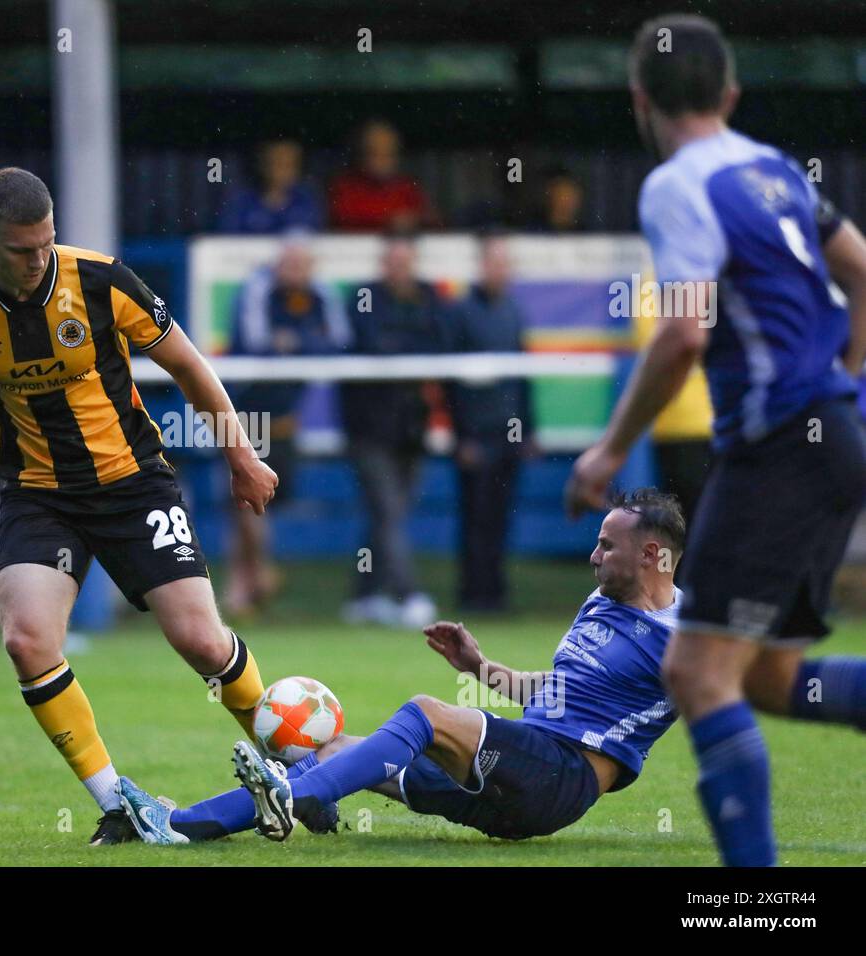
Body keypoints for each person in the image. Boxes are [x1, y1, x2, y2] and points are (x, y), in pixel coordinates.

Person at [566, 15, 866, 866]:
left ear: (638, 100)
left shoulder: (675, 185)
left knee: (697, 675)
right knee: (768, 678)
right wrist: (842, 383)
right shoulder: (775, 169)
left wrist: (608, 450)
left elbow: (683, 336)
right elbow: (863, 271)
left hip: (778, 448)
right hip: (830, 439)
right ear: (730, 94)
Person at [0, 167, 279, 845]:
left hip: (133, 482)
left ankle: (295, 765)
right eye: (21, 249)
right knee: (26, 640)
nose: (38, 259)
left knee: (199, 639)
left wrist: (240, 455)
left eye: (47, 243)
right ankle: (120, 802)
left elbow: (190, 366)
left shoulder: (102, 282)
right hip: (38, 494)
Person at [117, 490, 684, 845]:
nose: (593, 556)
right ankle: (179, 825)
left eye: (607, 546)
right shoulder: (602, 602)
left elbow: (726, 700)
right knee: (331, 750)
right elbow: (556, 691)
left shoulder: (682, 640)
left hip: (562, 778)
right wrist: (482, 667)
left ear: (652, 554)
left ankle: (305, 797)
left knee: (425, 714)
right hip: (510, 780)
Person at [225, 237, 352, 616]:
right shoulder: (257, 291)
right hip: (244, 416)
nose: (295, 272)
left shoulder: (320, 295)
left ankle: (247, 581)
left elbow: (340, 343)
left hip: (285, 419)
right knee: (246, 504)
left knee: (260, 506)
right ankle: (251, 578)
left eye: (303, 264)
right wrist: (300, 343)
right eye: (289, 263)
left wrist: (296, 341)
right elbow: (255, 343)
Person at [339, 234, 444, 627]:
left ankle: (364, 597)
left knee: (386, 514)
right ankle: (408, 593)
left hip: (411, 429)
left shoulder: (430, 297)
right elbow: (373, 345)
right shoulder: (362, 298)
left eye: (406, 261)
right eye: (392, 261)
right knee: (388, 511)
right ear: (383, 264)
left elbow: (441, 343)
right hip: (368, 429)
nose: (399, 269)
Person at [445, 231, 535, 611]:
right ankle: (473, 594)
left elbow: (523, 376)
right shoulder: (462, 313)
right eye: (494, 262)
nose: (501, 270)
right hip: (476, 435)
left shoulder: (513, 311)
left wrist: (529, 430)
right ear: (481, 266)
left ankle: (496, 593)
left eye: (505, 263)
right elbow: (451, 382)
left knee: (500, 517)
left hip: (508, 435)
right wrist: (461, 436)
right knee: (476, 517)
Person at [633, 302, 713, 525]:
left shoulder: (654, 283)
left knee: (689, 525)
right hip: (687, 424)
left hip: (683, 423)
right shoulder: (656, 284)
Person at [328, 120, 440, 232]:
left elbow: (431, 220)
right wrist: (388, 221)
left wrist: (415, 220)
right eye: (375, 153)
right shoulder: (345, 186)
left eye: (389, 153)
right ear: (361, 153)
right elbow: (343, 218)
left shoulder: (407, 187)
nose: (383, 160)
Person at [218, 139, 324, 235]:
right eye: (278, 163)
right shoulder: (241, 202)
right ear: (264, 165)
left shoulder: (308, 202)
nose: (283, 171)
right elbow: (226, 242)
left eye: (289, 164)